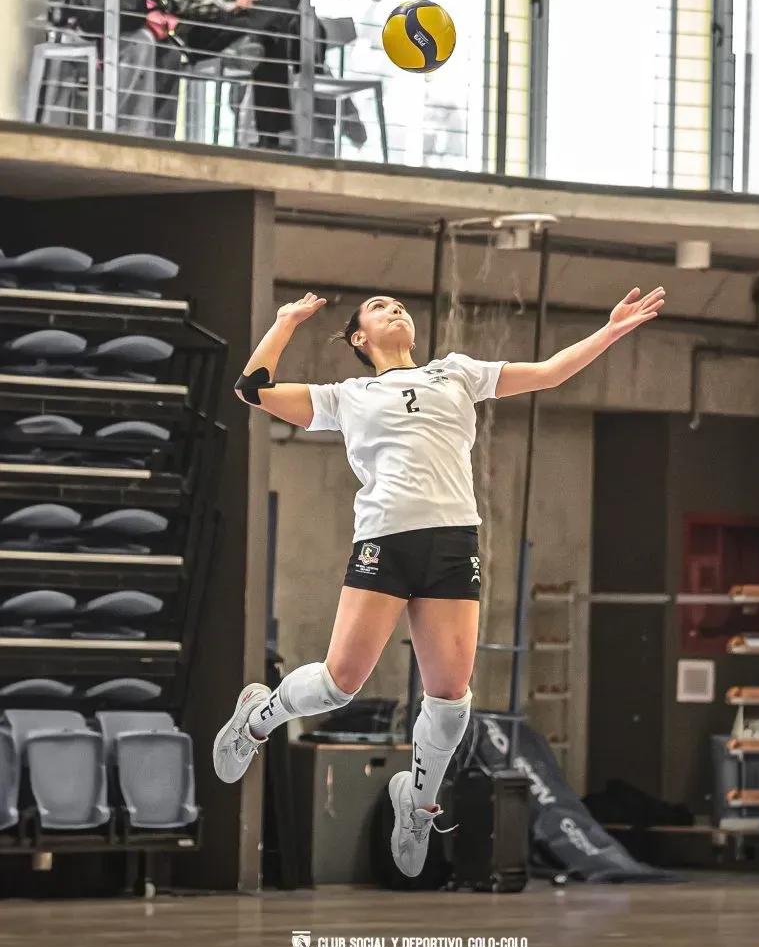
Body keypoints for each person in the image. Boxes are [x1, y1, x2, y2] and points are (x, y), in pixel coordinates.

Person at [215, 285, 666, 877]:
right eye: (377, 308)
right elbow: (253, 390)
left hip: (453, 542)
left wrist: (610, 331)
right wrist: (285, 320)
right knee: (337, 685)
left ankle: (418, 804)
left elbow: (552, 373)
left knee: (451, 701)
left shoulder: (456, 373)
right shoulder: (345, 396)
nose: (393, 308)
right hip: (385, 539)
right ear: (358, 337)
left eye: (398, 305)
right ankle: (257, 717)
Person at [154, 0, 308, 149]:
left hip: (253, 14)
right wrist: (232, 4)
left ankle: (255, 33)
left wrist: (256, 3)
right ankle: (275, 138)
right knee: (273, 31)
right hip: (209, 23)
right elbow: (183, 1)